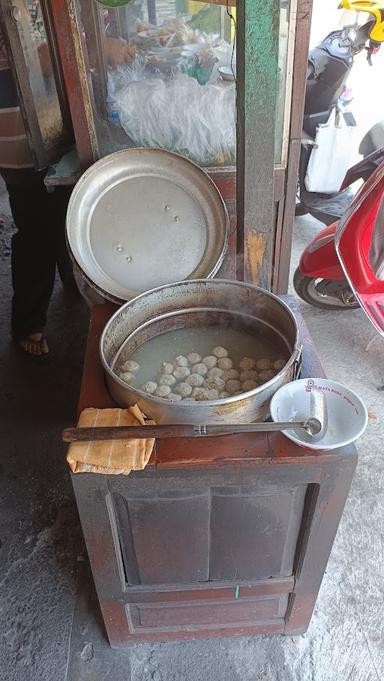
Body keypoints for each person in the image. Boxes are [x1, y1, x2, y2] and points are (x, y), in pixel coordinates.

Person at [0, 25, 75, 356]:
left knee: (61, 214)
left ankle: (73, 279)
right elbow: (34, 57)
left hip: (48, 131)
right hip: (22, 141)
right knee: (36, 234)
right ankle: (26, 322)